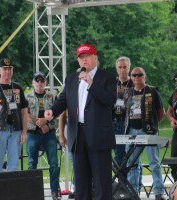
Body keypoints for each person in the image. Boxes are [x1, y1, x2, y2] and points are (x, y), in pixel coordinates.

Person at [44, 43, 116, 200]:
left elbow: (110, 100)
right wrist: (53, 111)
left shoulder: (107, 77)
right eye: (81, 58)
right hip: (78, 134)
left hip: (99, 135)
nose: (84, 60)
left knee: (101, 181)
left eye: (87, 57)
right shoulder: (71, 79)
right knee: (81, 181)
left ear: (95, 58)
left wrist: (91, 83)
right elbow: (63, 99)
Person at [124, 67, 166, 200]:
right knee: (132, 163)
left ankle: (159, 192)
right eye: (134, 75)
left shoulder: (152, 91)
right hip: (131, 130)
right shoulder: (128, 92)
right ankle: (133, 191)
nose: (136, 77)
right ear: (131, 77)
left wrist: (152, 124)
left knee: (154, 162)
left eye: (139, 75)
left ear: (145, 76)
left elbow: (161, 113)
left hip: (148, 131)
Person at [0, 58, 28, 172]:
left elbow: (24, 111)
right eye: (5, 69)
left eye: (9, 69)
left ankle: (11, 189)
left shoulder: (17, 87)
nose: (7, 72)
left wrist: (24, 131)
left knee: (14, 163)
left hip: (15, 129)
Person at [26, 72, 61, 200]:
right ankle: (32, 192)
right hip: (32, 133)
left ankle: (55, 191)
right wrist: (39, 123)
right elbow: (25, 114)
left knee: (53, 163)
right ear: (33, 83)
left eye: (42, 81)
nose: (39, 83)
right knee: (31, 163)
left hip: (49, 134)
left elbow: (57, 112)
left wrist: (46, 121)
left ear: (45, 83)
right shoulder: (27, 97)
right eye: (37, 81)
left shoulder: (52, 97)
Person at [113, 56, 133, 167]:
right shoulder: (112, 84)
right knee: (118, 155)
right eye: (120, 67)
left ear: (129, 68)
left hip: (130, 123)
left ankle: (133, 183)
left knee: (132, 156)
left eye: (125, 67)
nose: (122, 70)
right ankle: (121, 183)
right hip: (115, 122)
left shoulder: (134, 83)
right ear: (117, 69)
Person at [58, 111, 76, 199]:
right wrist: (61, 135)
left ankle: (76, 187)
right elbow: (62, 115)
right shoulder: (69, 97)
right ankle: (75, 188)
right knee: (74, 163)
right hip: (72, 133)